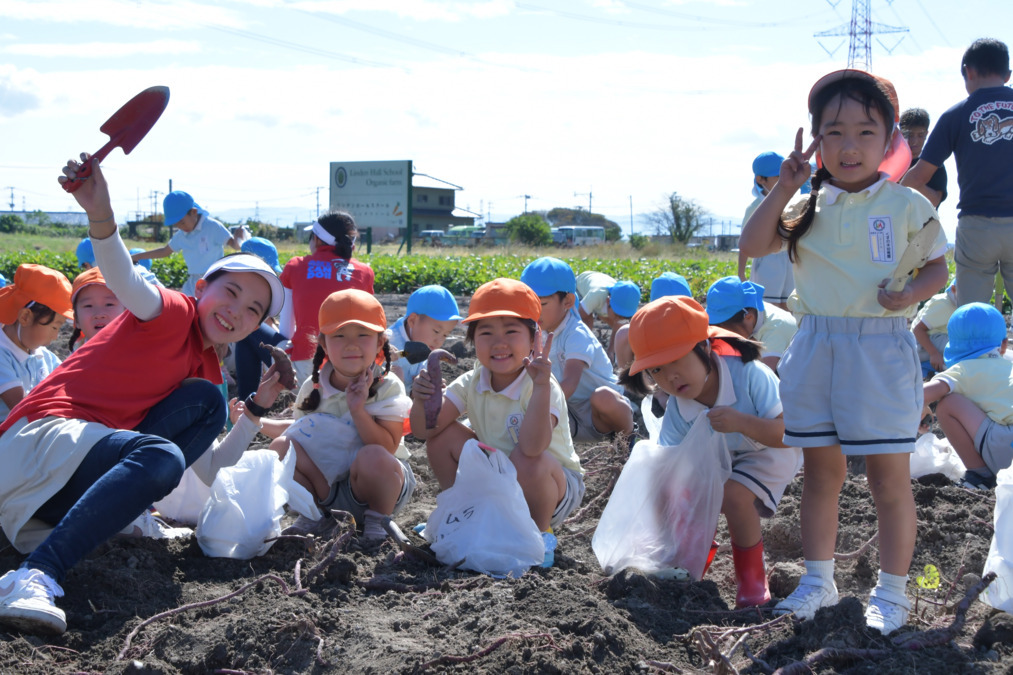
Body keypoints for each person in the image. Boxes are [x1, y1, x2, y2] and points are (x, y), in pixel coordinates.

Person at [0, 154, 284, 635]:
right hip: (34, 445)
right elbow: (124, 278)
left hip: (61, 482)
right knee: (160, 452)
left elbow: (208, 469)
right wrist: (100, 214)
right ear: (201, 287)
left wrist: (256, 408)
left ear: (259, 326)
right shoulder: (170, 311)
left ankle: (120, 516)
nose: (237, 311)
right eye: (230, 292)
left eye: (254, 309)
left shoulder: (206, 373)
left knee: (201, 416)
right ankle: (36, 574)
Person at [739, 69, 949, 634]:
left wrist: (910, 293)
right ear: (816, 142)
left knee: (889, 479)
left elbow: (938, 265)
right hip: (817, 345)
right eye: (834, 132)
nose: (849, 146)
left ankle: (896, 593)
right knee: (820, 474)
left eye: (865, 131)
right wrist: (784, 184)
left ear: (889, 142)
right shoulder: (804, 207)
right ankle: (818, 582)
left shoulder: (907, 205)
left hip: (880, 350)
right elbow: (752, 245)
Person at [619, 296, 801, 607]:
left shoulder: (748, 374)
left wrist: (742, 422)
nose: (670, 377)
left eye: (677, 360)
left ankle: (752, 580)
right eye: (658, 370)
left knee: (733, 496)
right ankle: (685, 558)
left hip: (767, 450)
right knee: (676, 487)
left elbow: (787, 433)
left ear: (704, 347)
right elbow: (672, 462)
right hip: (723, 459)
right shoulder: (678, 406)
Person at [409, 278, 585, 568]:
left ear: (534, 339)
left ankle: (540, 534)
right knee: (442, 437)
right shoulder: (472, 380)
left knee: (527, 459)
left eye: (511, 331)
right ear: (472, 342)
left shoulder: (542, 385)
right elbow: (424, 431)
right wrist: (420, 400)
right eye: (486, 332)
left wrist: (541, 387)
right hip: (499, 478)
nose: (499, 343)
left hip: (552, 485)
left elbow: (532, 446)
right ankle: (462, 514)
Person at [265, 289, 414, 542]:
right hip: (327, 489)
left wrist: (357, 409)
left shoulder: (388, 386)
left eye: (363, 335)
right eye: (339, 335)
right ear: (323, 343)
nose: (351, 344)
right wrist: (257, 422)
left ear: (380, 342)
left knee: (372, 455)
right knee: (280, 449)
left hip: (378, 487)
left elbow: (386, 447)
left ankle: (377, 521)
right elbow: (302, 433)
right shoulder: (312, 388)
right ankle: (315, 515)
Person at [902, 38, 1013, 306]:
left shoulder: (956, 115)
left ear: (968, 72)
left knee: (971, 313)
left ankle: (976, 347)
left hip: (977, 226)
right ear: (1008, 75)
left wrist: (885, 199)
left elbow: (918, 177)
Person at [521, 257, 634, 441]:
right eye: (529, 304)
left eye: (541, 304)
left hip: (599, 415)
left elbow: (569, 385)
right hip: (568, 414)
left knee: (603, 397)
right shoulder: (535, 333)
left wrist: (533, 408)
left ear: (567, 301)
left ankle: (627, 439)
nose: (534, 311)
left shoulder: (576, 333)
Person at [923, 302, 1012, 490]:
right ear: (1003, 344)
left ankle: (980, 475)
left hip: (1005, 450)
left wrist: (922, 405)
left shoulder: (962, 370)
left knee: (948, 404)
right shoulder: (1009, 366)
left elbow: (922, 394)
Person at [280, 211, 374, 385]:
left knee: (253, 335)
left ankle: (247, 396)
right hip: (354, 371)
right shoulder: (365, 272)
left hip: (305, 370)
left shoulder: (295, 266)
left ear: (316, 240)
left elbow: (286, 330)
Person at [130, 191, 242, 295]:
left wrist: (238, 238)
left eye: (182, 222)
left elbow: (235, 246)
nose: (180, 227)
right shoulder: (181, 235)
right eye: (176, 224)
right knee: (187, 310)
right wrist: (137, 256)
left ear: (193, 212)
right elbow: (164, 251)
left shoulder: (212, 226)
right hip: (193, 281)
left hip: (214, 279)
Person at [0, 265, 72, 418]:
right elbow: (22, 409)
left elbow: (71, 383)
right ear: (25, 317)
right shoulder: (2, 356)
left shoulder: (44, 357)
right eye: (54, 327)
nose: (55, 336)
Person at [232, 236, 291, 400]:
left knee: (248, 328)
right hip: (294, 355)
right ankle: (247, 404)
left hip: (290, 361)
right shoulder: (275, 290)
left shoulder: (254, 293)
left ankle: (246, 404)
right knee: (248, 330)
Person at [738, 152, 795, 310]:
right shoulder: (756, 208)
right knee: (769, 308)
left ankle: (787, 335)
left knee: (790, 306)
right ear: (760, 180)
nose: (782, 179)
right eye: (777, 176)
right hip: (767, 261)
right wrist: (741, 273)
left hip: (789, 260)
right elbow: (745, 242)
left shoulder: (791, 202)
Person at [705, 276, 798, 373]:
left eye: (727, 331)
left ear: (748, 317)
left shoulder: (775, 330)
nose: (721, 335)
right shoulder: (752, 310)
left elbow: (766, 376)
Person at [388, 285, 461, 395]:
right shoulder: (389, 341)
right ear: (412, 321)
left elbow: (421, 368)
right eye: (436, 331)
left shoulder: (424, 345)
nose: (439, 341)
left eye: (445, 335)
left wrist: (424, 382)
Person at [575, 271, 640, 364]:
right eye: (618, 315)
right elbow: (577, 317)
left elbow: (618, 326)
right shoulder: (596, 295)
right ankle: (585, 349)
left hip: (601, 296)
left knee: (620, 324)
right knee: (587, 319)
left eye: (624, 316)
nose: (619, 320)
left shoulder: (622, 299)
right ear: (608, 301)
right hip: (580, 286)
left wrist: (610, 351)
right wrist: (591, 341)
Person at [66, 267, 125, 352]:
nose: (99, 314)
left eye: (109, 304)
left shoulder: (139, 353)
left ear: (127, 311)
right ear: (76, 319)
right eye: (88, 306)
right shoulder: (75, 360)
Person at [898, 108, 947, 208]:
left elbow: (934, 201)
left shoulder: (935, 166)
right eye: (910, 135)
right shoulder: (887, 163)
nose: (914, 141)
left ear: (926, 135)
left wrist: (913, 179)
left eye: (920, 135)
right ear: (901, 134)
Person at [912, 279, 958, 377]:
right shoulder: (943, 304)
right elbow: (918, 329)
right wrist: (934, 354)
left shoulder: (958, 304)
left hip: (936, 340)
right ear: (954, 289)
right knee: (957, 343)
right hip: (922, 345)